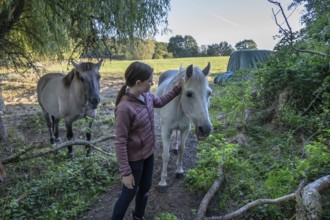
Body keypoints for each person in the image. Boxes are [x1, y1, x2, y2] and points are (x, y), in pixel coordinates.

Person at [111, 62, 182, 220]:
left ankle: (139, 216)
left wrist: (177, 89)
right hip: (134, 161)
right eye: (150, 81)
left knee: (145, 189)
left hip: (148, 154)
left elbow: (161, 101)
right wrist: (126, 173)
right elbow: (120, 142)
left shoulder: (147, 97)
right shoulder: (124, 108)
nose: (152, 83)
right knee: (128, 194)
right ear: (138, 83)